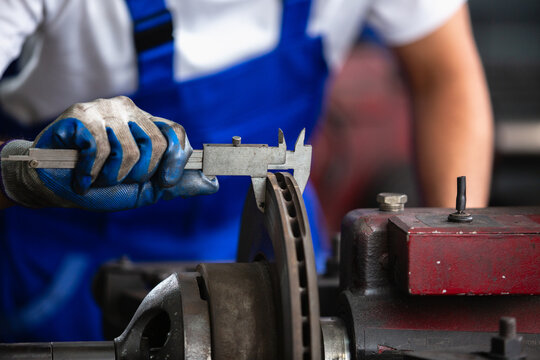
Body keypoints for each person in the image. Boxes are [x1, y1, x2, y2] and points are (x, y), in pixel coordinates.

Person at [0, 0, 493, 342]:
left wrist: (449, 272)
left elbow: (442, 74)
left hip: (285, 255)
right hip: (65, 273)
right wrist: (18, 174)